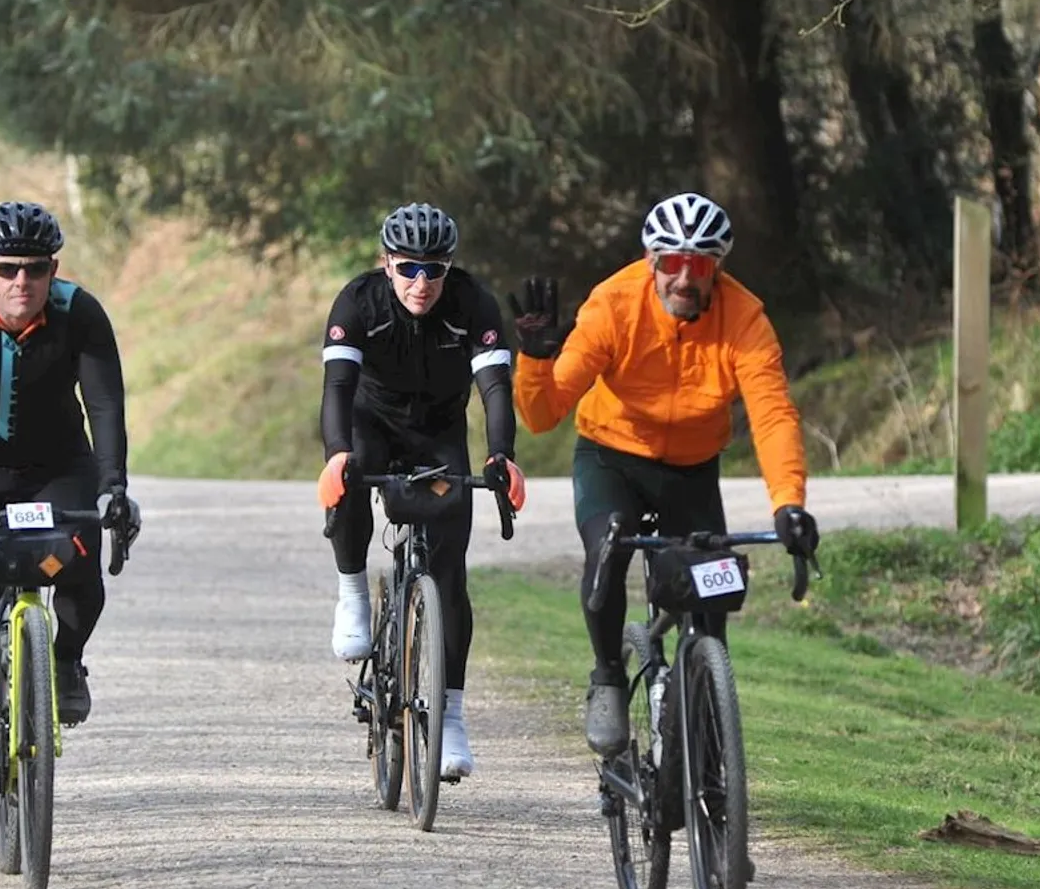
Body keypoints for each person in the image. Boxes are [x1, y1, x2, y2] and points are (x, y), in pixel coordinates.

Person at [511, 191, 819, 758]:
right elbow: (541, 415)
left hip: (692, 472)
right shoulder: (613, 306)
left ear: (715, 270)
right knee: (607, 546)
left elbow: (773, 414)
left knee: (713, 595)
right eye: (671, 263)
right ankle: (607, 674)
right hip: (611, 458)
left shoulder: (744, 318)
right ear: (651, 262)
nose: (684, 278)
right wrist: (533, 359)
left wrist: (788, 504)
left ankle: (705, 743)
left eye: (698, 265)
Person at [0, 200, 142, 819]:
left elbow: (104, 405)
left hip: (55, 470)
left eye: (37, 270)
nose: (23, 283)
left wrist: (113, 486)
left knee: (79, 565)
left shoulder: (79, 312)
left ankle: (64, 660)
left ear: (54, 269)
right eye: (9, 269)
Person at [317, 202, 526, 780]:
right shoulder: (358, 302)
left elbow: (495, 389)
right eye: (409, 268)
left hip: (438, 431)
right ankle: (353, 594)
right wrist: (338, 455)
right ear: (387, 264)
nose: (422, 283)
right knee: (353, 479)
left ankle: (451, 718)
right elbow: (337, 386)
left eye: (434, 269)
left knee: (451, 572)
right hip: (370, 421)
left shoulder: (473, 304)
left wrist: (500, 454)